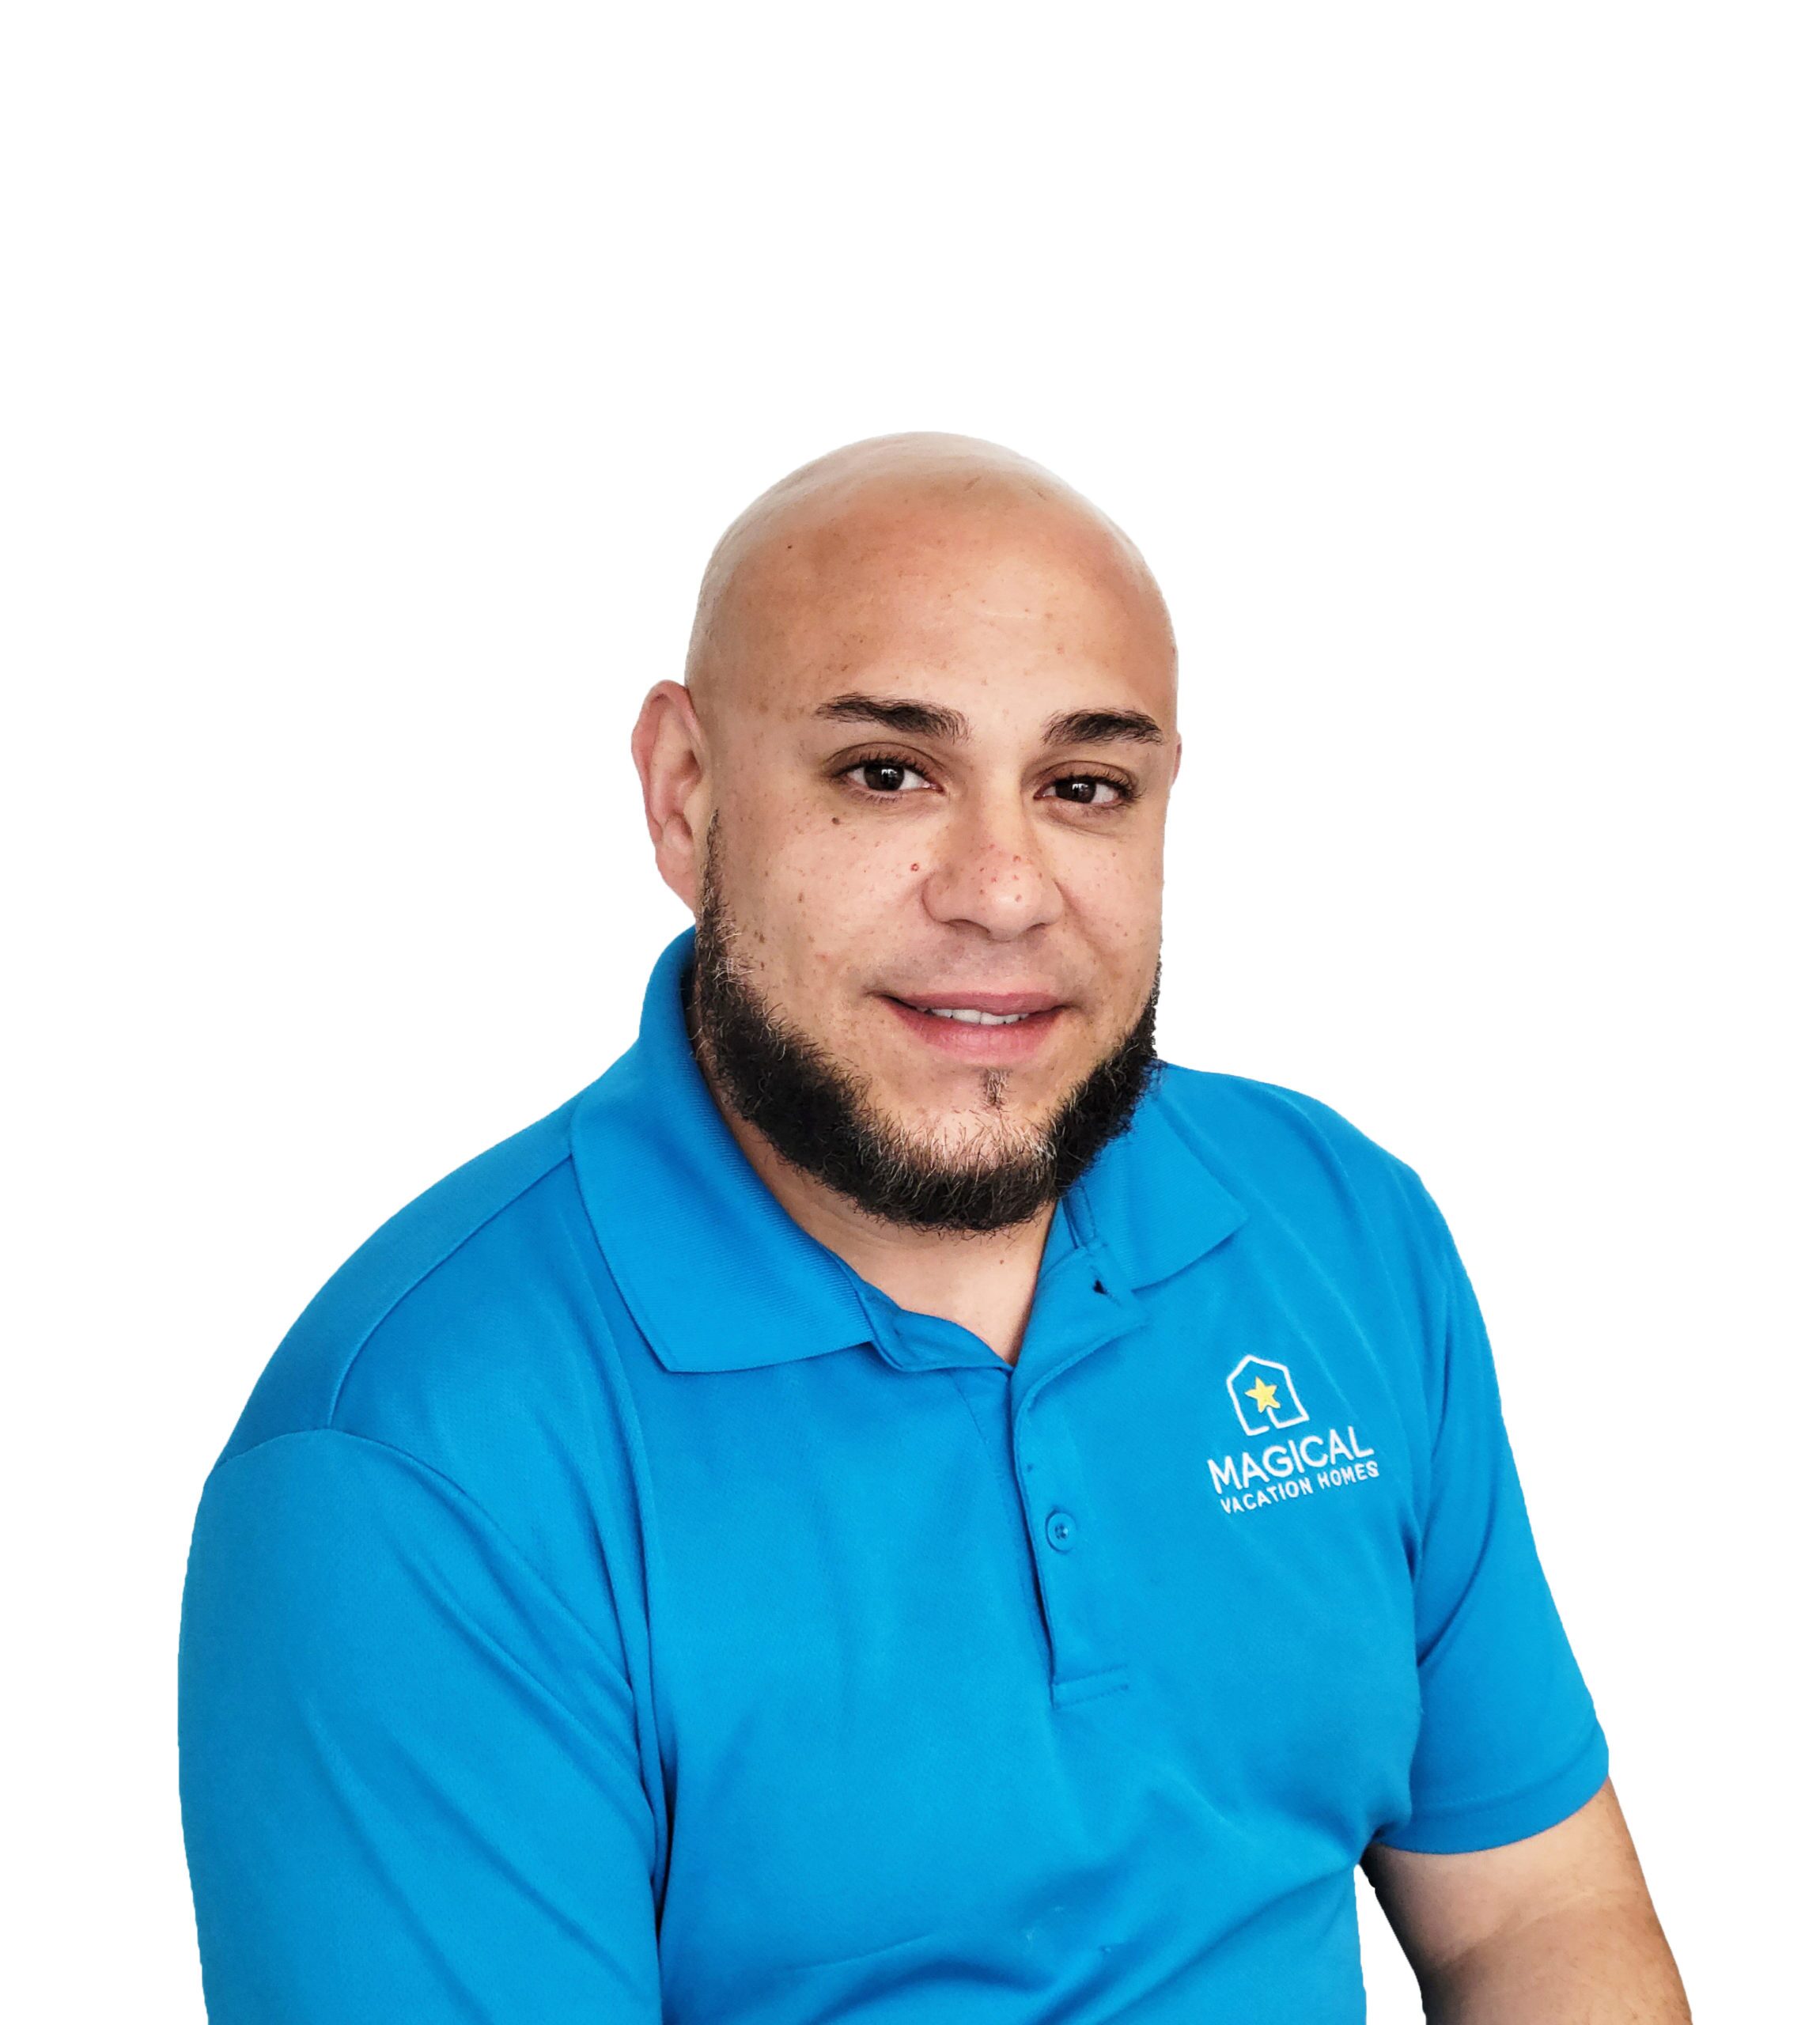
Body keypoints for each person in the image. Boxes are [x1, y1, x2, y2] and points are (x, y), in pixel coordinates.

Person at [177, 433, 1691, 2022]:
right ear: (686, 797)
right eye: (886, 773)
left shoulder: (1332, 1226)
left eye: (1082, 786)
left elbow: (1531, 1913)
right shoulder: (412, 1463)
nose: (1002, 890)